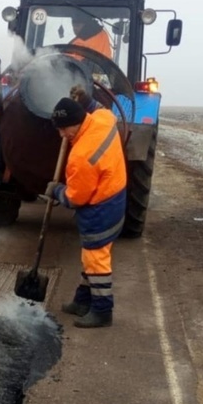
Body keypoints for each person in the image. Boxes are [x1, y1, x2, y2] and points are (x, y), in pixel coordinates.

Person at [45, 96, 126, 328]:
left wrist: (57, 190)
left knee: (96, 259)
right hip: (116, 196)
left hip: (101, 208)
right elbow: (102, 109)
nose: (62, 135)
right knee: (89, 258)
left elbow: (75, 198)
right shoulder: (103, 119)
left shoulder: (81, 156)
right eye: (59, 130)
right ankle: (82, 302)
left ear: (78, 121)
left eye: (64, 129)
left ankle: (102, 311)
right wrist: (86, 99)